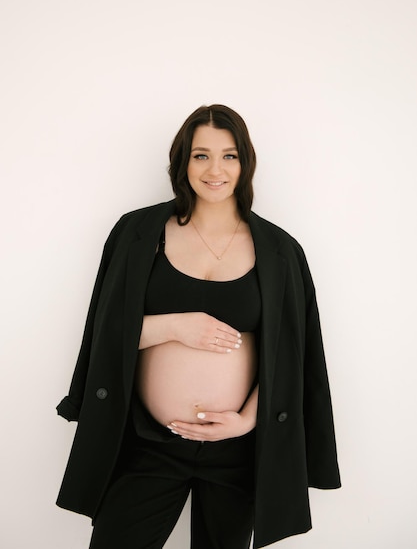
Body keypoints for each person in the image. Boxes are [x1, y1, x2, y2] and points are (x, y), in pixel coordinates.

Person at [56, 104, 341, 549]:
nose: (215, 169)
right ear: (182, 161)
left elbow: (291, 355)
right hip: (149, 442)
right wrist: (174, 327)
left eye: (229, 155)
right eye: (201, 155)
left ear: (245, 163)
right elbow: (103, 332)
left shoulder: (281, 251)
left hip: (236, 450)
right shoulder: (137, 234)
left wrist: (247, 420)